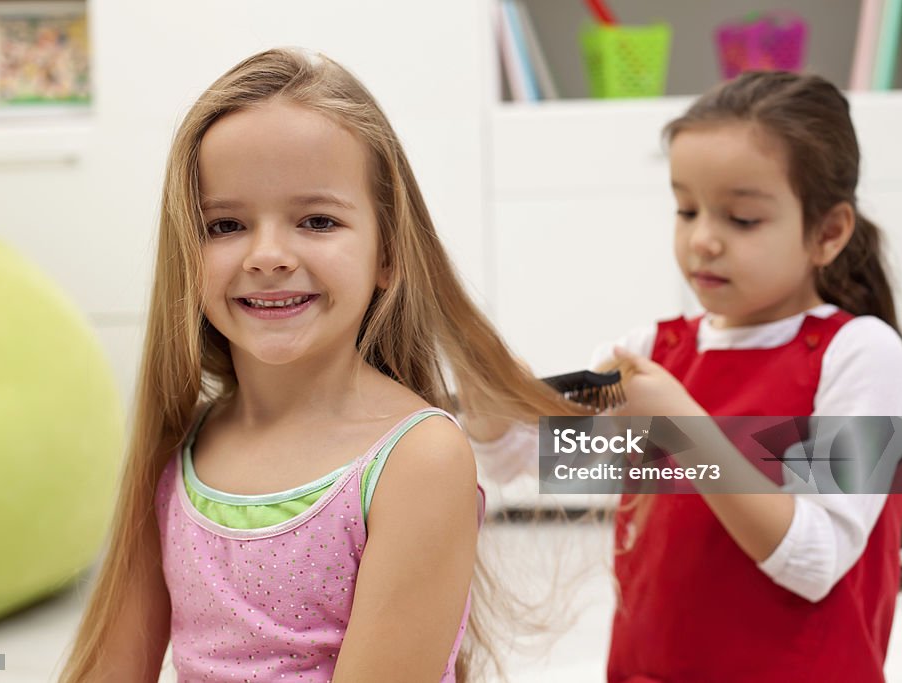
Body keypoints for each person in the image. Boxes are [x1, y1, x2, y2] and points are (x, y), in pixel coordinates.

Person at [60, 47, 582, 682]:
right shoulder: (178, 445)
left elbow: (705, 456)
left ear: (388, 254)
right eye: (224, 225)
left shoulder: (418, 459)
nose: (269, 255)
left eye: (316, 220)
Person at [467, 71, 902, 683]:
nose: (703, 240)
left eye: (741, 219)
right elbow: (530, 462)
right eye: (687, 210)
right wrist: (493, 410)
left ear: (829, 232)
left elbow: (816, 559)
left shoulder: (866, 357)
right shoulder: (650, 350)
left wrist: (683, 429)